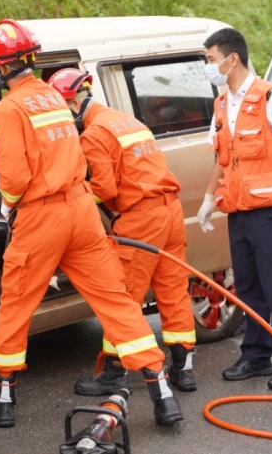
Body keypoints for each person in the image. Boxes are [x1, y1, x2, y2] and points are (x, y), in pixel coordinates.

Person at [0, 19, 181, 429]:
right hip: (83, 212)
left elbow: (12, 174)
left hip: (41, 216)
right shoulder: (51, 96)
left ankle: (3, 397)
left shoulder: (14, 107)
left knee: (17, 301)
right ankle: (161, 390)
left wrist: (7, 208)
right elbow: (9, 119)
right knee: (116, 301)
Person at [46, 68, 199, 396]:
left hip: (141, 218)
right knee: (172, 290)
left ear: (72, 103)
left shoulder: (93, 134)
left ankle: (114, 372)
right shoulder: (126, 120)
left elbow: (104, 187)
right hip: (170, 210)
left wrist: (74, 195)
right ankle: (183, 369)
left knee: (122, 298)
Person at [196, 27, 272, 391]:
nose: (208, 66)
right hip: (238, 208)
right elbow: (222, 156)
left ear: (232, 59)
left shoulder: (269, 97)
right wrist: (207, 199)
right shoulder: (221, 105)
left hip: (270, 207)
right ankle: (256, 355)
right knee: (247, 284)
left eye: (211, 60)